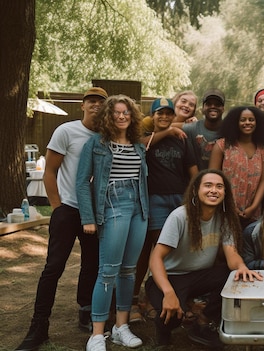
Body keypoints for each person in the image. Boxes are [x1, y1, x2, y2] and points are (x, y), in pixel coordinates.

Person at [15, 87, 107, 351]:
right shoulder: (66, 131)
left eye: (101, 101)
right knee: (53, 268)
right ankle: (39, 326)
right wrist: (57, 208)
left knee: (91, 264)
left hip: (95, 213)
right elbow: (50, 171)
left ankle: (86, 310)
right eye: (91, 101)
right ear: (83, 105)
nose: (96, 105)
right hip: (68, 208)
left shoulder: (108, 135)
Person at [146, 170, 263, 348]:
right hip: (170, 277)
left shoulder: (225, 218)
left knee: (233, 276)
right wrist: (169, 293)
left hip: (200, 275)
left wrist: (241, 267)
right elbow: (155, 258)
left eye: (219, 186)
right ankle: (164, 330)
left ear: (225, 193)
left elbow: (232, 255)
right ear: (195, 190)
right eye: (208, 185)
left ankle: (204, 321)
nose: (213, 190)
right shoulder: (180, 216)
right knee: (174, 316)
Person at [76, 94, 149, 350]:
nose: (121, 116)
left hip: (138, 208)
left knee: (129, 271)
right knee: (107, 271)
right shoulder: (96, 143)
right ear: (109, 115)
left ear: (132, 116)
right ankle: (97, 335)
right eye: (116, 112)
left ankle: (121, 327)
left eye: (126, 112)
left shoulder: (137, 144)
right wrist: (89, 217)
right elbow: (82, 181)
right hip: (112, 206)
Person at [132, 97, 198, 323]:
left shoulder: (182, 139)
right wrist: (168, 132)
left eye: (168, 113)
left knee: (179, 249)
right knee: (159, 246)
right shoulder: (146, 138)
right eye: (159, 113)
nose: (164, 117)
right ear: (153, 116)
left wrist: (194, 196)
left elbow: (192, 170)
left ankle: (177, 295)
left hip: (179, 199)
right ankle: (152, 296)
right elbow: (141, 145)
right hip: (154, 199)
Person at [209, 106, 264, 229]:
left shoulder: (262, 150)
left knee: (248, 246)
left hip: (252, 213)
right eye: (243, 120)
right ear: (235, 122)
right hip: (224, 209)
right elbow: (212, 177)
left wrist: (253, 207)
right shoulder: (222, 145)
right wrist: (230, 205)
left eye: (251, 120)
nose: (247, 123)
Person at [183, 89, 226, 169]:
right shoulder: (191, 129)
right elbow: (170, 127)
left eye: (217, 104)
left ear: (223, 109)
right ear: (203, 108)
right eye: (209, 104)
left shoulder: (231, 131)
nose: (213, 106)